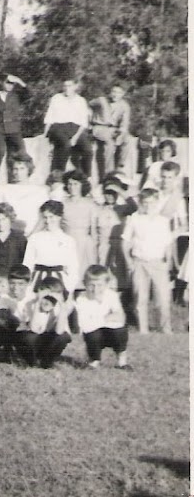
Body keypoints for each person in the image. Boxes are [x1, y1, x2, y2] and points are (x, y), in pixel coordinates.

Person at [122, 188, 175, 334]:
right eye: (145, 203)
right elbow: (125, 242)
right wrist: (129, 262)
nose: (148, 206)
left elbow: (168, 243)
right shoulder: (134, 218)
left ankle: (166, 328)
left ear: (157, 202)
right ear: (140, 203)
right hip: (139, 262)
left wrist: (168, 262)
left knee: (163, 298)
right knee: (140, 297)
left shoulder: (163, 221)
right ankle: (143, 328)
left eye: (151, 203)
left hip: (158, 262)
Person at [75, 264, 130, 369]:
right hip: (93, 333)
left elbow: (121, 317)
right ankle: (94, 360)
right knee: (92, 334)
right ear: (84, 284)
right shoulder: (81, 299)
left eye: (99, 285)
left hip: (110, 331)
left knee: (120, 331)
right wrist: (107, 318)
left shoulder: (112, 295)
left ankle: (122, 362)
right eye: (91, 285)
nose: (95, 289)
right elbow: (84, 325)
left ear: (107, 284)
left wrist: (96, 320)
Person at [12, 276, 73, 369]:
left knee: (63, 337)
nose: (47, 302)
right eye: (46, 298)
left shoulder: (60, 308)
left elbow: (59, 332)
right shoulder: (31, 304)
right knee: (29, 337)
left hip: (45, 340)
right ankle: (31, 361)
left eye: (52, 299)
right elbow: (34, 329)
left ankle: (47, 362)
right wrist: (38, 303)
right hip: (29, 340)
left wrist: (61, 305)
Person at [24, 200, 81, 293]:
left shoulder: (68, 240)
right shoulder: (35, 238)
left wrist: (69, 286)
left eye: (51, 217)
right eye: (45, 217)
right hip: (37, 280)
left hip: (59, 282)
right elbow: (27, 264)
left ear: (59, 217)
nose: (48, 221)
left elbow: (73, 267)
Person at [43, 79, 93, 175]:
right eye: (64, 86)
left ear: (75, 87)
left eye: (69, 86)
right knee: (66, 145)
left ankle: (85, 177)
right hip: (58, 128)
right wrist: (45, 134)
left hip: (76, 129)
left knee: (88, 150)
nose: (66, 88)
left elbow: (83, 122)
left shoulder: (81, 100)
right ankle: (58, 175)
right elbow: (49, 117)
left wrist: (75, 137)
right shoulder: (56, 98)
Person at [0, 74, 28, 181]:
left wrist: (19, 80)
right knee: (0, 150)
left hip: (14, 129)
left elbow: (28, 93)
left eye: (12, 84)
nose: (10, 86)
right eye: (8, 83)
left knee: (22, 151)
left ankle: (20, 176)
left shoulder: (16, 96)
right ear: (1, 82)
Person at [0, 153, 48, 233]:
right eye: (15, 169)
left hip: (33, 234)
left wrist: (31, 236)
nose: (18, 172)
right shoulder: (3, 190)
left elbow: (43, 217)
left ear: (28, 169)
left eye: (22, 168)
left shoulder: (40, 191)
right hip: (9, 236)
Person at [89, 86, 131, 180]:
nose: (115, 95)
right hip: (100, 127)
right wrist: (90, 117)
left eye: (119, 92)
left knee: (127, 140)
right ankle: (106, 174)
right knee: (110, 144)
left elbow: (124, 124)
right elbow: (88, 105)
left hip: (114, 129)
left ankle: (118, 168)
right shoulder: (101, 100)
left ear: (123, 94)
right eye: (113, 92)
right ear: (110, 92)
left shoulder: (125, 105)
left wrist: (121, 135)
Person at [62, 170, 99, 270]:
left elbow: (93, 230)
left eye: (75, 184)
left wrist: (94, 247)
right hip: (67, 242)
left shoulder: (90, 204)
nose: (72, 187)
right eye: (69, 184)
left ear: (82, 185)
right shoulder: (62, 204)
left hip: (84, 243)